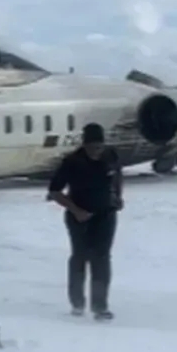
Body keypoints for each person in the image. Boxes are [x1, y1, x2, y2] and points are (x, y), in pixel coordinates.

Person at [47, 123, 123, 320]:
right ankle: (77, 302)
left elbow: (117, 175)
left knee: (102, 258)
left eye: (99, 147)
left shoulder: (111, 156)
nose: (96, 152)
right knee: (80, 257)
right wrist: (76, 210)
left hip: (106, 214)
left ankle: (100, 306)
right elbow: (54, 192)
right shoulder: (72, 162)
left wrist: (118, 196)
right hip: (79, 215)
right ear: (85, 145)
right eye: (92, 148)